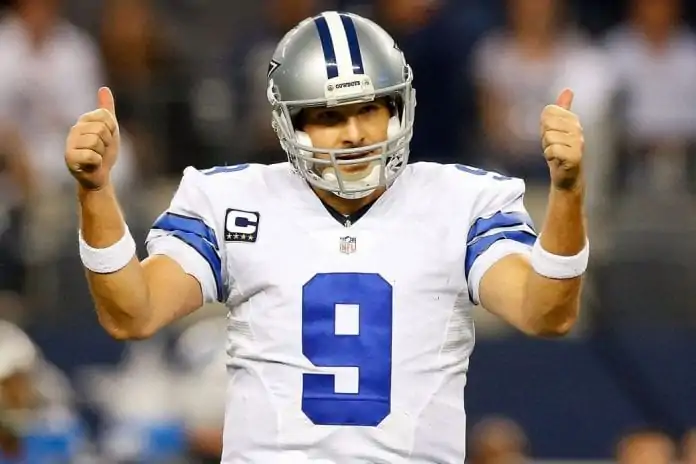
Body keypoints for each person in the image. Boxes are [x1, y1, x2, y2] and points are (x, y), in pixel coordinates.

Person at [64, 11, 588, 463]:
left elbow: (544, 312)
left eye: (369, 108)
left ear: (398, 107)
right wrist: (96, 192)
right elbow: (134, 313)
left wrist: (567, 192)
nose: (354, 133)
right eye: (329, 116)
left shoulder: (461, 201)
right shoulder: (228, 200)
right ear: (289, 124)